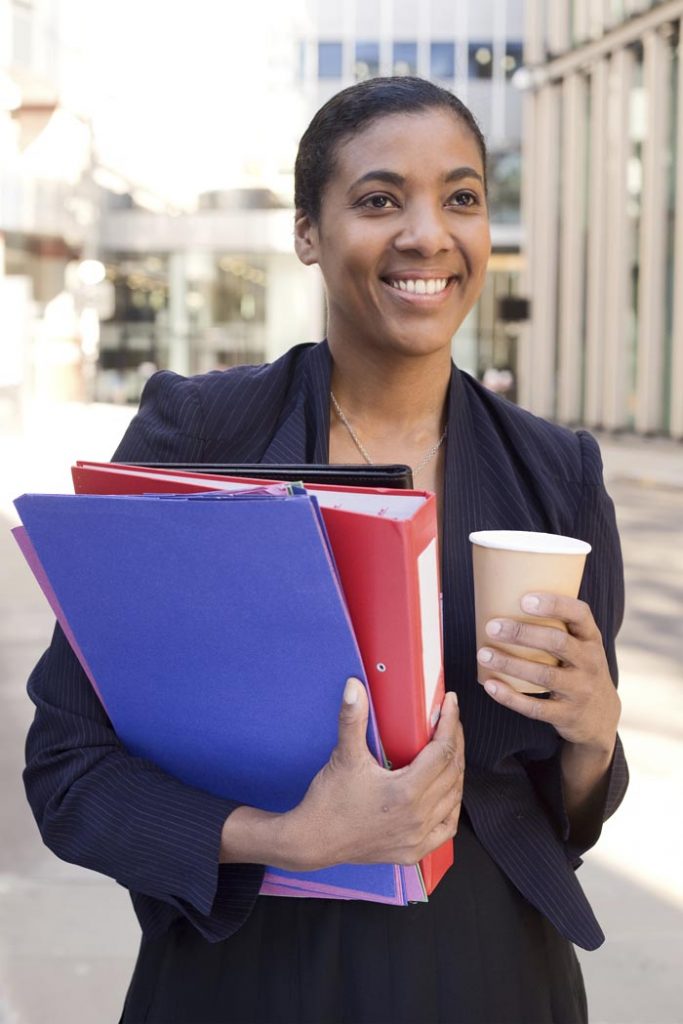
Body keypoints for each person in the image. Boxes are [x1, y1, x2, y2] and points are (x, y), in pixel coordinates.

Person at [23, 77, 627, 1024]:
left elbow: (568, 807)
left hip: (493, 968)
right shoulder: (199, 433)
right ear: (307, 232)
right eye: (380, 199)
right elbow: (69, 768)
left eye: (460, 197)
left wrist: (594, 733)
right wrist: (290, 835)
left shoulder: (558, 474)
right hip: (247, 972)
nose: (428, 233)